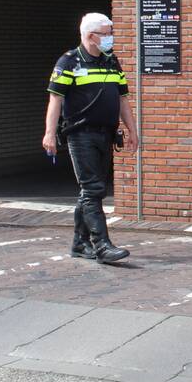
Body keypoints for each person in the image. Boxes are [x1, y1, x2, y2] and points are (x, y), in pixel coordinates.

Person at [43, 13, 139, 265]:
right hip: (80, 134)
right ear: (90, 36)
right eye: (107, 33)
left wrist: (132, 130)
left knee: (90, 190)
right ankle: (102, 245)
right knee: (93, 189)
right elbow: (55, 100)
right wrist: (49, 133)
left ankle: (79, 242)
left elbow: (122, 99)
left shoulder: (111, 61)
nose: (111, 38)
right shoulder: (68, 62)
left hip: (105, 133)